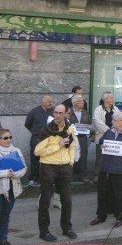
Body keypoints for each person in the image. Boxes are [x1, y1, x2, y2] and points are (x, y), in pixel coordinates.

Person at [34, 104, 77, 242]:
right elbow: (37, 151)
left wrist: (71, 162)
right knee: (45, 201)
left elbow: (72, 146)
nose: (57, 115)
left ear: (66, 114)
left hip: (64, 167)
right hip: (48, 166)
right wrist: (57, 146)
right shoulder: (46, 130)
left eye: (60, 113)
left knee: (67, 200)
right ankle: (44, 231)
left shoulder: (69, 128)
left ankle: (67, 228)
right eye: (55, 113)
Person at [0, 129, 27, 245]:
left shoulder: (16, 150)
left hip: (12, 189)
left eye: (10, 137)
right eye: (5, 138)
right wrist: (5, 173)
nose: (9, 140)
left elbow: (24, 168)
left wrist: (15, 174)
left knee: (5, 215)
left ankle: (3, 238)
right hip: (1, 189)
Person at [24, 95, 54, 187]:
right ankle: (33, 179)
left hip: (49, 139)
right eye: (48, 101)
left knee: (49, 159)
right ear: (43, 102)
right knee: (35, 159)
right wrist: (35, 132)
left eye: (51, 101)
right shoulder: (34, 112)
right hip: (36, 138)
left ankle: (49, 179)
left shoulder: (53, 112)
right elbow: (27, 124)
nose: (50, 103)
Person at [92, 91, 120, 183]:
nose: (113, 99)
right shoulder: (98, 109)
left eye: (112, 98)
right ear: (105, 99)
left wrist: (113, 131)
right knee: (100, 156)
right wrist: (109, 131)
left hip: (114, 136)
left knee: (112, 155)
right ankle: (97, 174)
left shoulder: (115, 109)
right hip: (102, 135)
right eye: (111, 98)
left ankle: (110, 173)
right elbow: (98, 122)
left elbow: (119, 120)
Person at [69, 94, 92, 183]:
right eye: (80, 101)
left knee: (83, 156)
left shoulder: (85, 112)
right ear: (74, 103)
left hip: (82, 137)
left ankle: (83, 175)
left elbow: (89, 123)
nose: (83, 102)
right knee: (71, 156)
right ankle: (70, 175)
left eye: (82, 101)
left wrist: (89, 128)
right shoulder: (69, 112)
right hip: (72, 138)